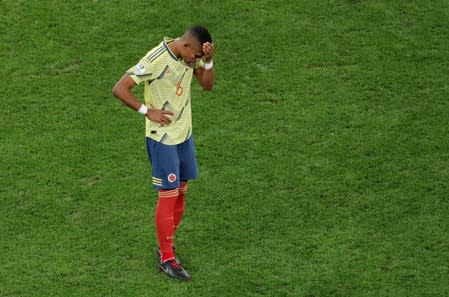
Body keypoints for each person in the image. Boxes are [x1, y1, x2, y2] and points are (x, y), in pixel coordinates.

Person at [112, 25, 215, 281]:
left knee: (181, 193)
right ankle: (167, 258)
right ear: (187, 45)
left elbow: (207, 85)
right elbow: (120, 88)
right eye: (196, 57)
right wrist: (148, 112)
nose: (195, 62)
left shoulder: (189, 56)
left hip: (184, 135)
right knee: (168, 196)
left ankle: (166, 245)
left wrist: (209, 63)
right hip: (163, 140)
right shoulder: (156, 59)